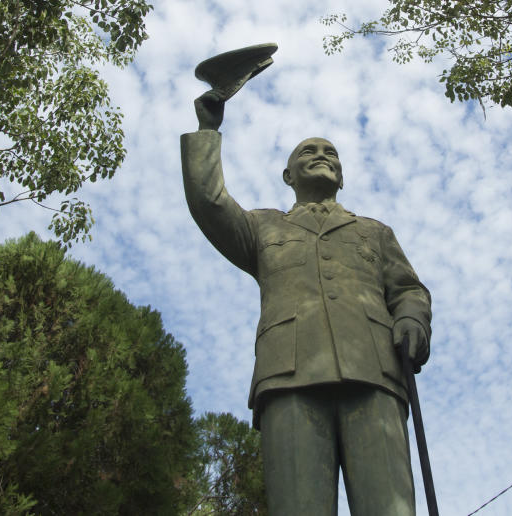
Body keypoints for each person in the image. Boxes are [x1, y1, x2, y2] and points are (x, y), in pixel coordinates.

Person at [181, 89, 432, 516]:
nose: (322, 155)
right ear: (287, 175)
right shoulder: (262, 227)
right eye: (309, 151)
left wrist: (412, 320)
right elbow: (209, 203)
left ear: (342, 174)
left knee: (389, 507)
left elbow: (409, 289)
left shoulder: (375, 232)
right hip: (288, 377)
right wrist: (208, 130)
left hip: (374, 373)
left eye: (331, 152)